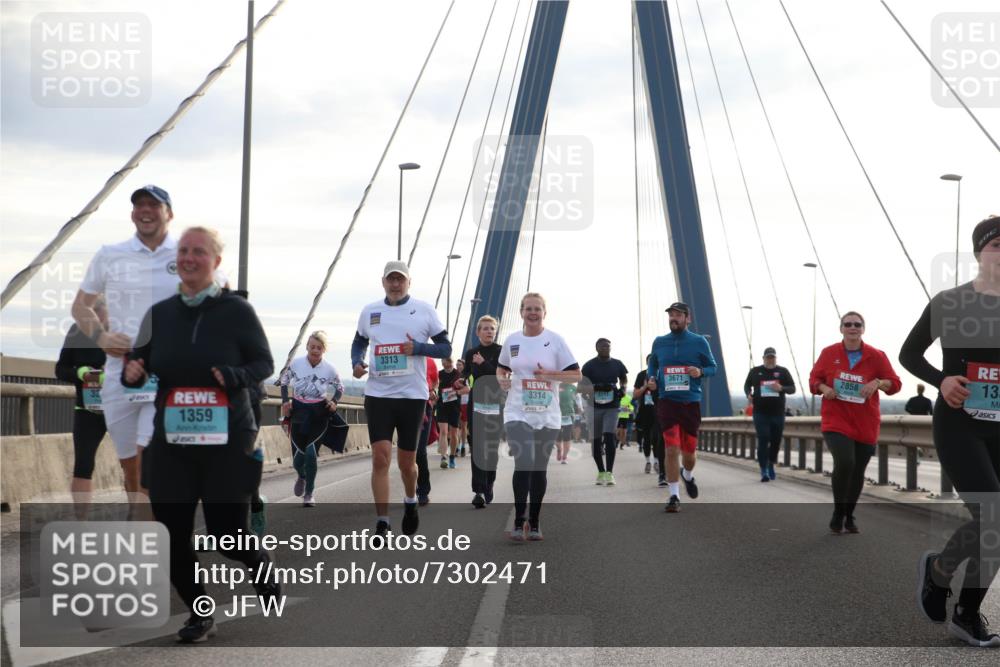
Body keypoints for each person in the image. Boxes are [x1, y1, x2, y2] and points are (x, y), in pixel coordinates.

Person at [122, 227, 278, 643]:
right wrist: (132, 372)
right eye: (184, 251)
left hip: (228, 440)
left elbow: (264, 363)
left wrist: (235, 375)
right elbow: (137, 365)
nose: (190, 257)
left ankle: (258, 563)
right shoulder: (160, 313)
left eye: (199, 252)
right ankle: (199, 611)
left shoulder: (236, 312)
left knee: (228, 535)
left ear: (216, 262)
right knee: (171, 535)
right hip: (172, 442)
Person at [903, 215, 1000, 648]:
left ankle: (946, 581)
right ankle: (961, 605)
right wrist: (942, 379)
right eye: (996, 245)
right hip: (959, 424)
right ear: (980, 252)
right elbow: (909, 354)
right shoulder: (951, 301)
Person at [72, 185, 181, 500]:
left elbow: (218, 293)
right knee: (131, 470)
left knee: (149, 462)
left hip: (164, 374)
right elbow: (81, 306)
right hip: (119, 374)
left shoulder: (185, 253)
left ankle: (156, 539)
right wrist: (102, 337)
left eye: (153, 205)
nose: (145, 210)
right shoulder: (110, 254)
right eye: (139, 205)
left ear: (169, 213)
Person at [351, 261, 451, 538]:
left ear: (409, 282)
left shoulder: (424, 311)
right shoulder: (370, 311)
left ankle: (410, 502)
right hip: (378, 395)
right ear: (383, 281)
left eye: (400, 280)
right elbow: (359, 341)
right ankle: (382, 522)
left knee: (407, 464)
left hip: (411, 396)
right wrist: (357, 362)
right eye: (391, 279)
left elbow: (445, 347)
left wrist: (417, 347)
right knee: (380, 459)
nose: (395, 284)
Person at [809, 311, 901, 535]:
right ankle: (838, 512)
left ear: (863, 329)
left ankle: (849, 515)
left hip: (865, 422)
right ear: (841, 328)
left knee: (858, 469)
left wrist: (878, 382)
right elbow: (814, 379)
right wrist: (824, 389)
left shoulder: (876, 355)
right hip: (836, 420)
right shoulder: (829, 353)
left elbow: (895, 384)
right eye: (848, 324)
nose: (853, 327)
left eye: (857, 324)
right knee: (846, 462)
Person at [497, 293, 580, 540]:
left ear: (545, 312)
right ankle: (519, 518)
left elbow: (576, 375)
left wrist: (551, 375)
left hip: (547, 414)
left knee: (539, 468)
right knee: (524, 461)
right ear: (521, 312)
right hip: (517, 411)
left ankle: (534, 522)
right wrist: (502, 378)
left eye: (537, 309)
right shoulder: (511, 341)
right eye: (528, 309)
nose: (533, 313)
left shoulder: (555, 341)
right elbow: (502, 367)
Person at [646, 302, 716, 512]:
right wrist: (651, 378)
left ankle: (688, 474)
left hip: (690, 403)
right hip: (667, 402)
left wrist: (700, 372)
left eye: (678, 315)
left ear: (688, 318)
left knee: (689, 453)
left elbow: (713, 367)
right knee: (671, 449)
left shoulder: (699, 342)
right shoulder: (659, 342)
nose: (673, 318)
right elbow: (653, 365)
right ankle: (674, 496)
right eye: (670, 315)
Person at [55, 296, 109, 516]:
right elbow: (60, 369)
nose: (92, 317)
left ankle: (139, 517)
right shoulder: (77, 332)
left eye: (98, 311)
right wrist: (82, 373)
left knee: (133, 467)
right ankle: (81, 522)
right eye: (88, 313)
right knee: (83, 466)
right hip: (88, 409)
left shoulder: (127, 331)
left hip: (121, 409)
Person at [280, 331, 343, 507]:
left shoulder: (329, 368)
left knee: (311, 452)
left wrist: (334, 401)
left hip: (319, 413)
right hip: (299, 411)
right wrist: (285, 402)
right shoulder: (297, 364)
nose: (315, 350)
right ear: (307, 347)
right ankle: (301, 475)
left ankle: (309, 493)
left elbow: (340, 387)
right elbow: (284, 381)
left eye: (319, 348)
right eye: (312, 347)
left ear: (324, 349)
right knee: (298, 459)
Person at [458, 315, 503, 509]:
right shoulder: (470, 353)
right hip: (476, 404)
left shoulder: (501, 351)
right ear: (478, 332)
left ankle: (489, 483)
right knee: (477, 447)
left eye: (492, 328)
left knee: (491, 450)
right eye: (484, 328)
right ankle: (479, 491)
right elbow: (466, 374)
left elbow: (500, 375)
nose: (488, 331)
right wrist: (460, 380)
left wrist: (483, 363)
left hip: (495, 404)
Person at [743, 347, 797, 482]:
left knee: (775, 441)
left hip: (778, 413)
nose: (770, 360)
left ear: (775, 358)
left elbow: (792, 388)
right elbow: (747, 385)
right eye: (768, 357)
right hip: (760, 412)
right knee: (763, 438)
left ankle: (771, 463)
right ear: (763, 358)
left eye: (772, 357)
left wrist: (782, 388)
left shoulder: (782, 372)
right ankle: (763, 470)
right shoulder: (755, 371)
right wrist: (748, 393)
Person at [579, 338, 628, 486]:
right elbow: (581, 386)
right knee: (596, 440)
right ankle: (600, 472)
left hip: (612, 406)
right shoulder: (588, 366)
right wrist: (593, 389)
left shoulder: (617, 364)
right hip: (593, 406)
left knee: (609, 436)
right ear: (597, 348)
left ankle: (610, 473)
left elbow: (624, 379)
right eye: (603, 346)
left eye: (608, 346)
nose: (606, 348)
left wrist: (623, 390)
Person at [634, 359, 665, 480]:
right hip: (645, 411)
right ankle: (648, 461)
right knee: (646, 438)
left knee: (657, 437)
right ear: (648, 363)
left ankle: (657, 462)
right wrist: (645, 386)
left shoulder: (662, 373)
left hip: (658, 410)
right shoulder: (641, 375)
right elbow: (635, 394)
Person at [415, 357, 439, 506]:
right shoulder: (400, 356)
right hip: (405, 407)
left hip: (425, 407)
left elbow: (435, 381)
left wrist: (434, 391)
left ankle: (423, 490)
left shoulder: (429, 360)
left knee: (419, 451)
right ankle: (411, 490)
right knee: (407, 452)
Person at [436, 357, 462, 469]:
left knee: (454, 433)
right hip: (442, 405)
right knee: (443, 432)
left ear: (450, 362)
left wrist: (456, 392)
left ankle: (452, 456)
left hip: (454, 406)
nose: (442, 363)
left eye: (444, 361)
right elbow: (434, 386)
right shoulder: (439, 374)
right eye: (441, 361)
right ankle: (443, 457)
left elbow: (467, 389)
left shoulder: (458, 374)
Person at [557, 381, 577, 464]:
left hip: (569, 414)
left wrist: (579, 408)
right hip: (556, 414)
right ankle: (559, 449)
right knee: (557, 436)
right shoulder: (556, 385)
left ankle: (564, 456)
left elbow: (577, 398)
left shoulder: (573, 387)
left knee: (567, 436)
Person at [456, 358, 469, 457]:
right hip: (455, 403)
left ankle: (463, 446)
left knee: (463, 426)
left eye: (460, 365)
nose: (458, 366)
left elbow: (469, 389)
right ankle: (457, 446)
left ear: (464, 366)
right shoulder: (453, 375)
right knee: (456, 426)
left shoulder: (467, 376)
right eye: (457, 365)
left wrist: (459, 390)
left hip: (465, 402)